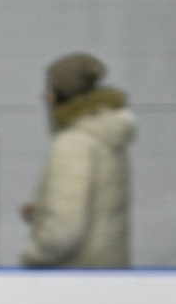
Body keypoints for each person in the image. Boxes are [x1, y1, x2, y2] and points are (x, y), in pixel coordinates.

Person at [19, 54, 134, 269]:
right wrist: (42, 209)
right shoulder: (106, 137)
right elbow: (99, 207)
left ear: (62, 94)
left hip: (73, 279)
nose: (45, 97)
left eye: (51, 90)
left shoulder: (74, 143)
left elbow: (64, 230)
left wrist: (33, 255)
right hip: (108, 273)